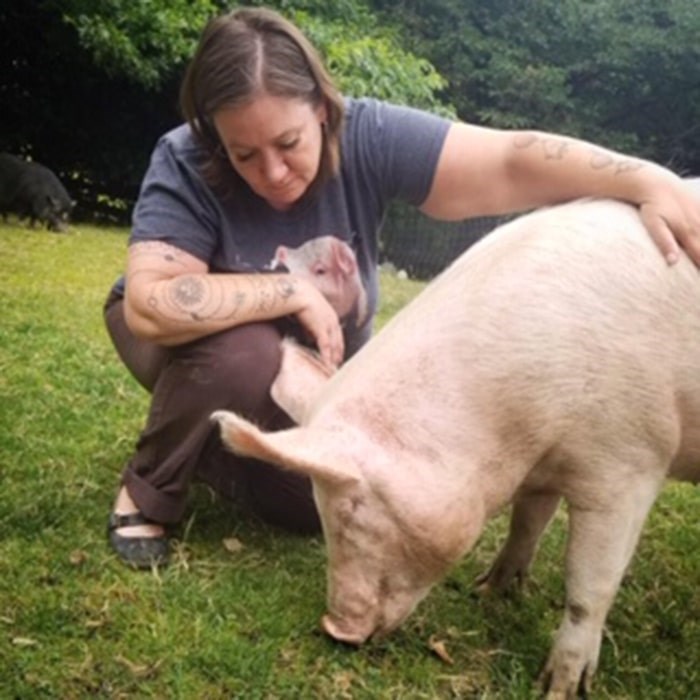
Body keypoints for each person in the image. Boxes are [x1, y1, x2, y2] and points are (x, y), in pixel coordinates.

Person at [104, 6, 700, 569]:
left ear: (320, 107)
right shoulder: (184, 159)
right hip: (196, 343)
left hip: (314, 365)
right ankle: (149, 490)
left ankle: (217, 447)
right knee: (247, 353)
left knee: (306, 504)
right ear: (213, 137)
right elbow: (151, 305)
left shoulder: (368, 135)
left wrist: (645, 178)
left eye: (287, 144)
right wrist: (289, 293)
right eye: (244, 154)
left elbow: (510, 161)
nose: (274, 173)